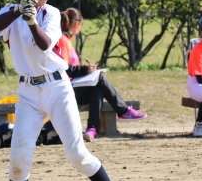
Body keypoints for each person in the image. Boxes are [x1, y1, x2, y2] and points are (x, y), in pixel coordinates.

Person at [0, 0, 131, 181]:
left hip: (57, 88)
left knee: (77, 155)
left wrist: (32, 21)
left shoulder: (51, 13)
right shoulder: (8, 12)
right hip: (28, 92)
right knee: (19, 158)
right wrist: (20, 10)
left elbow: (44, 45)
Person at [57, 8, 146, 142]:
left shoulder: (67, 40)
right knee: (100, 77)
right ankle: (123, 111)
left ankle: (92, 130)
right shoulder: (62, 40)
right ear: (76, 24)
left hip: (72, 88)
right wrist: (86, 71)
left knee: (97, 91)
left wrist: (86, 71)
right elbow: (64, 69)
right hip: (64, 90)